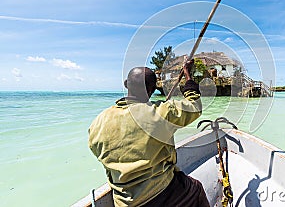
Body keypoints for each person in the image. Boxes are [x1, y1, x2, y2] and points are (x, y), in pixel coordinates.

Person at [88, 60, 209, 207]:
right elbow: (194, 105)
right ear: (152, 90)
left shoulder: (98, 122)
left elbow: (95, 150)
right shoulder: (163, 112)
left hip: (124, 202)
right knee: (196, 188)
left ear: (126, 85)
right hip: (162, 192)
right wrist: (188, 75)